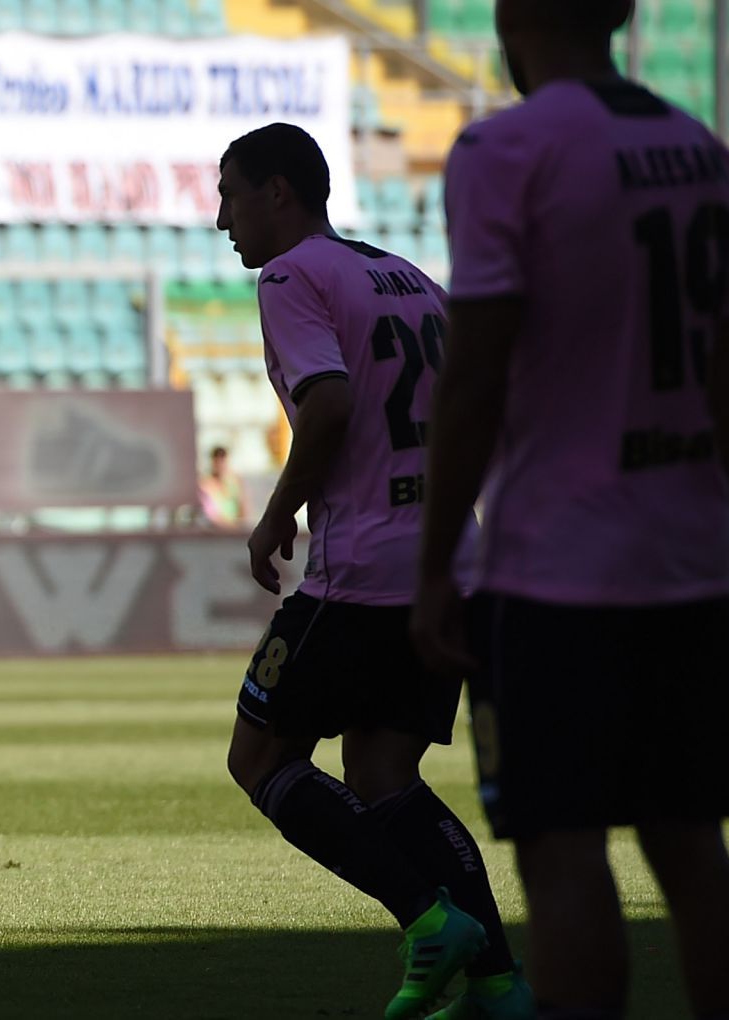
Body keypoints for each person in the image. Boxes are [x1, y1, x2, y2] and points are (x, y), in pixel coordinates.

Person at [410, 2, 729, 1017]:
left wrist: (435, 566)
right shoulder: (703, 152)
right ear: (619, 11)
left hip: (552, 565)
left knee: (562, 853)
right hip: (680, 558)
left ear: (509, 16)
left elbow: (474, 376)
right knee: (691, 847)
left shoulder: (504, 149)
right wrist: (703, 513)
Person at [215, 122, 529, 1018]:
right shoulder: (412, 278)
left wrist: (277, 513)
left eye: (230, 195)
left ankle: (427, 920)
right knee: (386, 773)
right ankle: (500, 983)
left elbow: (328, 406)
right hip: (446, 560)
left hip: (362, 571)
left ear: (279, 191)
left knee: (259, 756)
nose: (222, 218)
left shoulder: (291, 277)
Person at [196, 445, 248, 530]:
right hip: (217, 530)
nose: (220, 464)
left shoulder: (234, 481)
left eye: (222, 460)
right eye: (217, 460)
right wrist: (228, 526)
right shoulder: (205, 484)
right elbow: (211, 514)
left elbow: (243, 506)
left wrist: (239, 526)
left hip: (235, 529)